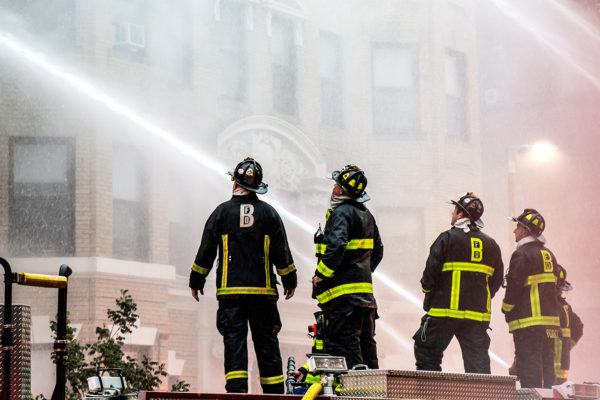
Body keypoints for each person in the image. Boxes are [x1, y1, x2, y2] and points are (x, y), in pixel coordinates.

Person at [189, 157, 297, 394]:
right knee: (267, 344)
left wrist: (196, 280)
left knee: (234, 344)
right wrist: (289, 280)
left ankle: (237, 394)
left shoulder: (221, 213)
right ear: (257, 186)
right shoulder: (269, 214)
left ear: (235, 183)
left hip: (231, 294)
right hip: (263, 294)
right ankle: (274, 396)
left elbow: (206, 249)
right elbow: (282, 251)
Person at [413, 192, 504, 373]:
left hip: (443, 312)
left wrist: (428, 292)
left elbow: (430, 274)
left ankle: (430, 389)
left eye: (454, 211)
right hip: (477, 316)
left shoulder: (447, 238)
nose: (452, 214)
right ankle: (480, 390)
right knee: (478, 366)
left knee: (427, 352)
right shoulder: (491, 245)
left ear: (460, 213)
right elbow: (496, 281)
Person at [312, 164, 384, 369]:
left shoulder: (341, 213)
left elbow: (337, 245)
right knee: (366, 344)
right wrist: (361, 272)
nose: (333, 188)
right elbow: (378, 250)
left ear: (342, 190)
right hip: (365, 298)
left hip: (343, 299)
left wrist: (321, 274)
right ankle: (373, 384)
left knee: (344, 346)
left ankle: (353, 386)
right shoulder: (366, 215)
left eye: (336, 184)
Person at [502, 208, 561, 388]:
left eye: (518, 227)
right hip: (550, 325)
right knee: (547, 366)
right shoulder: (549, 254)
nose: (515, 230)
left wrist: (506, 308)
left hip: (529, 324)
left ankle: (530, 397)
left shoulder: (522, 254)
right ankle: (547, 397)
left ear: (526, 231)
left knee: (529, 369)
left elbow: (514, 286)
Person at [553, 265, 584, 384]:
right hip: (562, 370)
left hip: (545, 370)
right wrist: (566, 348)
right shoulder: (566, 307)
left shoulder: (547, 306)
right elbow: (578, 328)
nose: (561, 292)